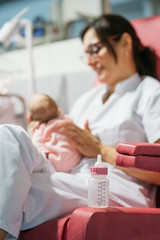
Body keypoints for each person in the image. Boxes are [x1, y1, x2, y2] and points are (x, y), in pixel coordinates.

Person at [1, 13, 160, 239]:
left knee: (17, 189)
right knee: (8, 136)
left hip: (113, 187)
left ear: (125, 42)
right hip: (71, 176)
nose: (89, 60)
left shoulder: (149, 92)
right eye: (85, 53)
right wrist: (44, 129)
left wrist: (99, 149)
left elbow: (157, 167)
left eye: (94, 49)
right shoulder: (87, 99)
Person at [27, 93, 81, 173]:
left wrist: (45, 155)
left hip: (55, 163)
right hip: (74, 159)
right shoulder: (67, 120)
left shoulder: (40, 128)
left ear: (30, 117)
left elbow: (36, 145)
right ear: (59, 110)